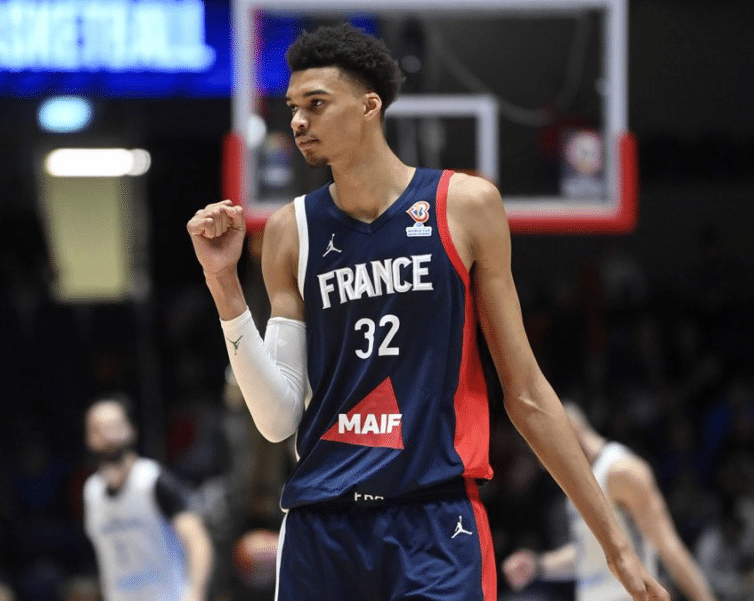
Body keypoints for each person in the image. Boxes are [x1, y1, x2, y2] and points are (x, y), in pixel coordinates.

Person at [186, 21, 667, 601]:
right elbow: (277, 419)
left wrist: (615, 544)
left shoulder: (466, 206)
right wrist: (224, 286)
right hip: (322, 523)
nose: (297, 122)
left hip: (436, 524)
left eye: (316, 104)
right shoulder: (292, 230)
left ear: (369, 106)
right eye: (293, 108)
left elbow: (526, 393)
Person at [502, 403, 717, 601]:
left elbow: (669, 546)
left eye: (542, 449)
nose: (542, 464)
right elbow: (590, 553)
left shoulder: (621, 471)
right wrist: (539, 565)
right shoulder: (580, 480)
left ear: (570, 430)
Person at [81, 398, 213, 601]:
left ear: (130, 429)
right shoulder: (92, 492)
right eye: (99, 429)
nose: (108, 436)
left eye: (114, 426)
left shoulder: (152, 480)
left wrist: (195, 592)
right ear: (89, 438)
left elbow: (197, 539)